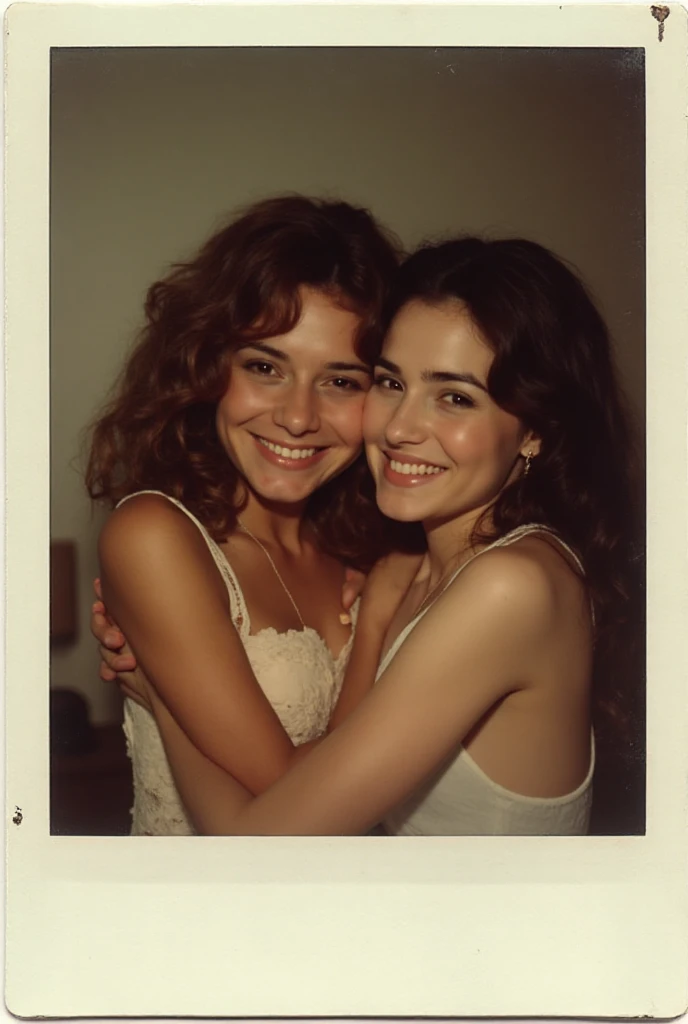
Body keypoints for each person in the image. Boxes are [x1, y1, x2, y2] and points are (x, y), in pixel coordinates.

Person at [94, 235, 642, 836]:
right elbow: (339, 782)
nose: (401, 428)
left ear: (536, 431)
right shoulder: (408, 564)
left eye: (455, 397)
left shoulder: (509, 586)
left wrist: (162, 696)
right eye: (391, 383)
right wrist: (378, 610)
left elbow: (268, 835)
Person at [85, 193, 422, 835]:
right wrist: (377, 616)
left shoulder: (376, 546)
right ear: (207, 365)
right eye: (265, 367)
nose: (297, 417)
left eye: (341, 381)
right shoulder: (156, 536)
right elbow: (306, 806)